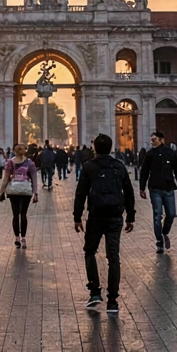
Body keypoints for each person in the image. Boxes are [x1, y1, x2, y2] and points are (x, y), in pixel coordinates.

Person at [73, 133, 135, 314]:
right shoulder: (119, 166)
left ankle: (94, 292)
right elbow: (129, 192)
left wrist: (77, 217)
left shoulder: (89, 167)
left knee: (90, 251)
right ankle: (113, 300)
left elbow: (80, 193)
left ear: (94, 148)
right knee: (113, 256)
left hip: (96, 215)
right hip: (115, 216)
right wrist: (130, 216)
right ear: (110, 147)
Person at [138, 131, 177, 253]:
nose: (152, 141)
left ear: (161, 140)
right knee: (157, 215)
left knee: (171, 214)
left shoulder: (170, 153)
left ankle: (165, 232)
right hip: (155, 189)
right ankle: (159, 242)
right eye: (151, 139)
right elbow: (144, 172)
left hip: (169, 188)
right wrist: (141, 188)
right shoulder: (149, 154)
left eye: (155, 139)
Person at [0, 143, 39, 249]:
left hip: (13, 191)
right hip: (26, 191)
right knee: (23, 214)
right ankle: (23, 237)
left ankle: (17, 237)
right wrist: (35, 192)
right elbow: (34, 178)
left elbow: (5, 178)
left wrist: (1, 191)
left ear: (15, 151)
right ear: (25, 151)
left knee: (15, 214)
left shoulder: (10, 162)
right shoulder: (30, 163)